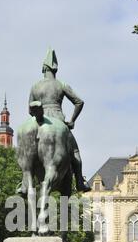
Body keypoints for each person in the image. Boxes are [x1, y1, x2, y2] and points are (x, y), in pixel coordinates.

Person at [27, 48, 91, 193]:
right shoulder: (61, 84)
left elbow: (30, 110)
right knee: (75, 154)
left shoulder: (35, 86)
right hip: (58, 121)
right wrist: (72, 120)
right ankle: (80, 181)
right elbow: (79, 102)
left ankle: (24, 182)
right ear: (55, 69)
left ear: (44, 68)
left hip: (37, 123)